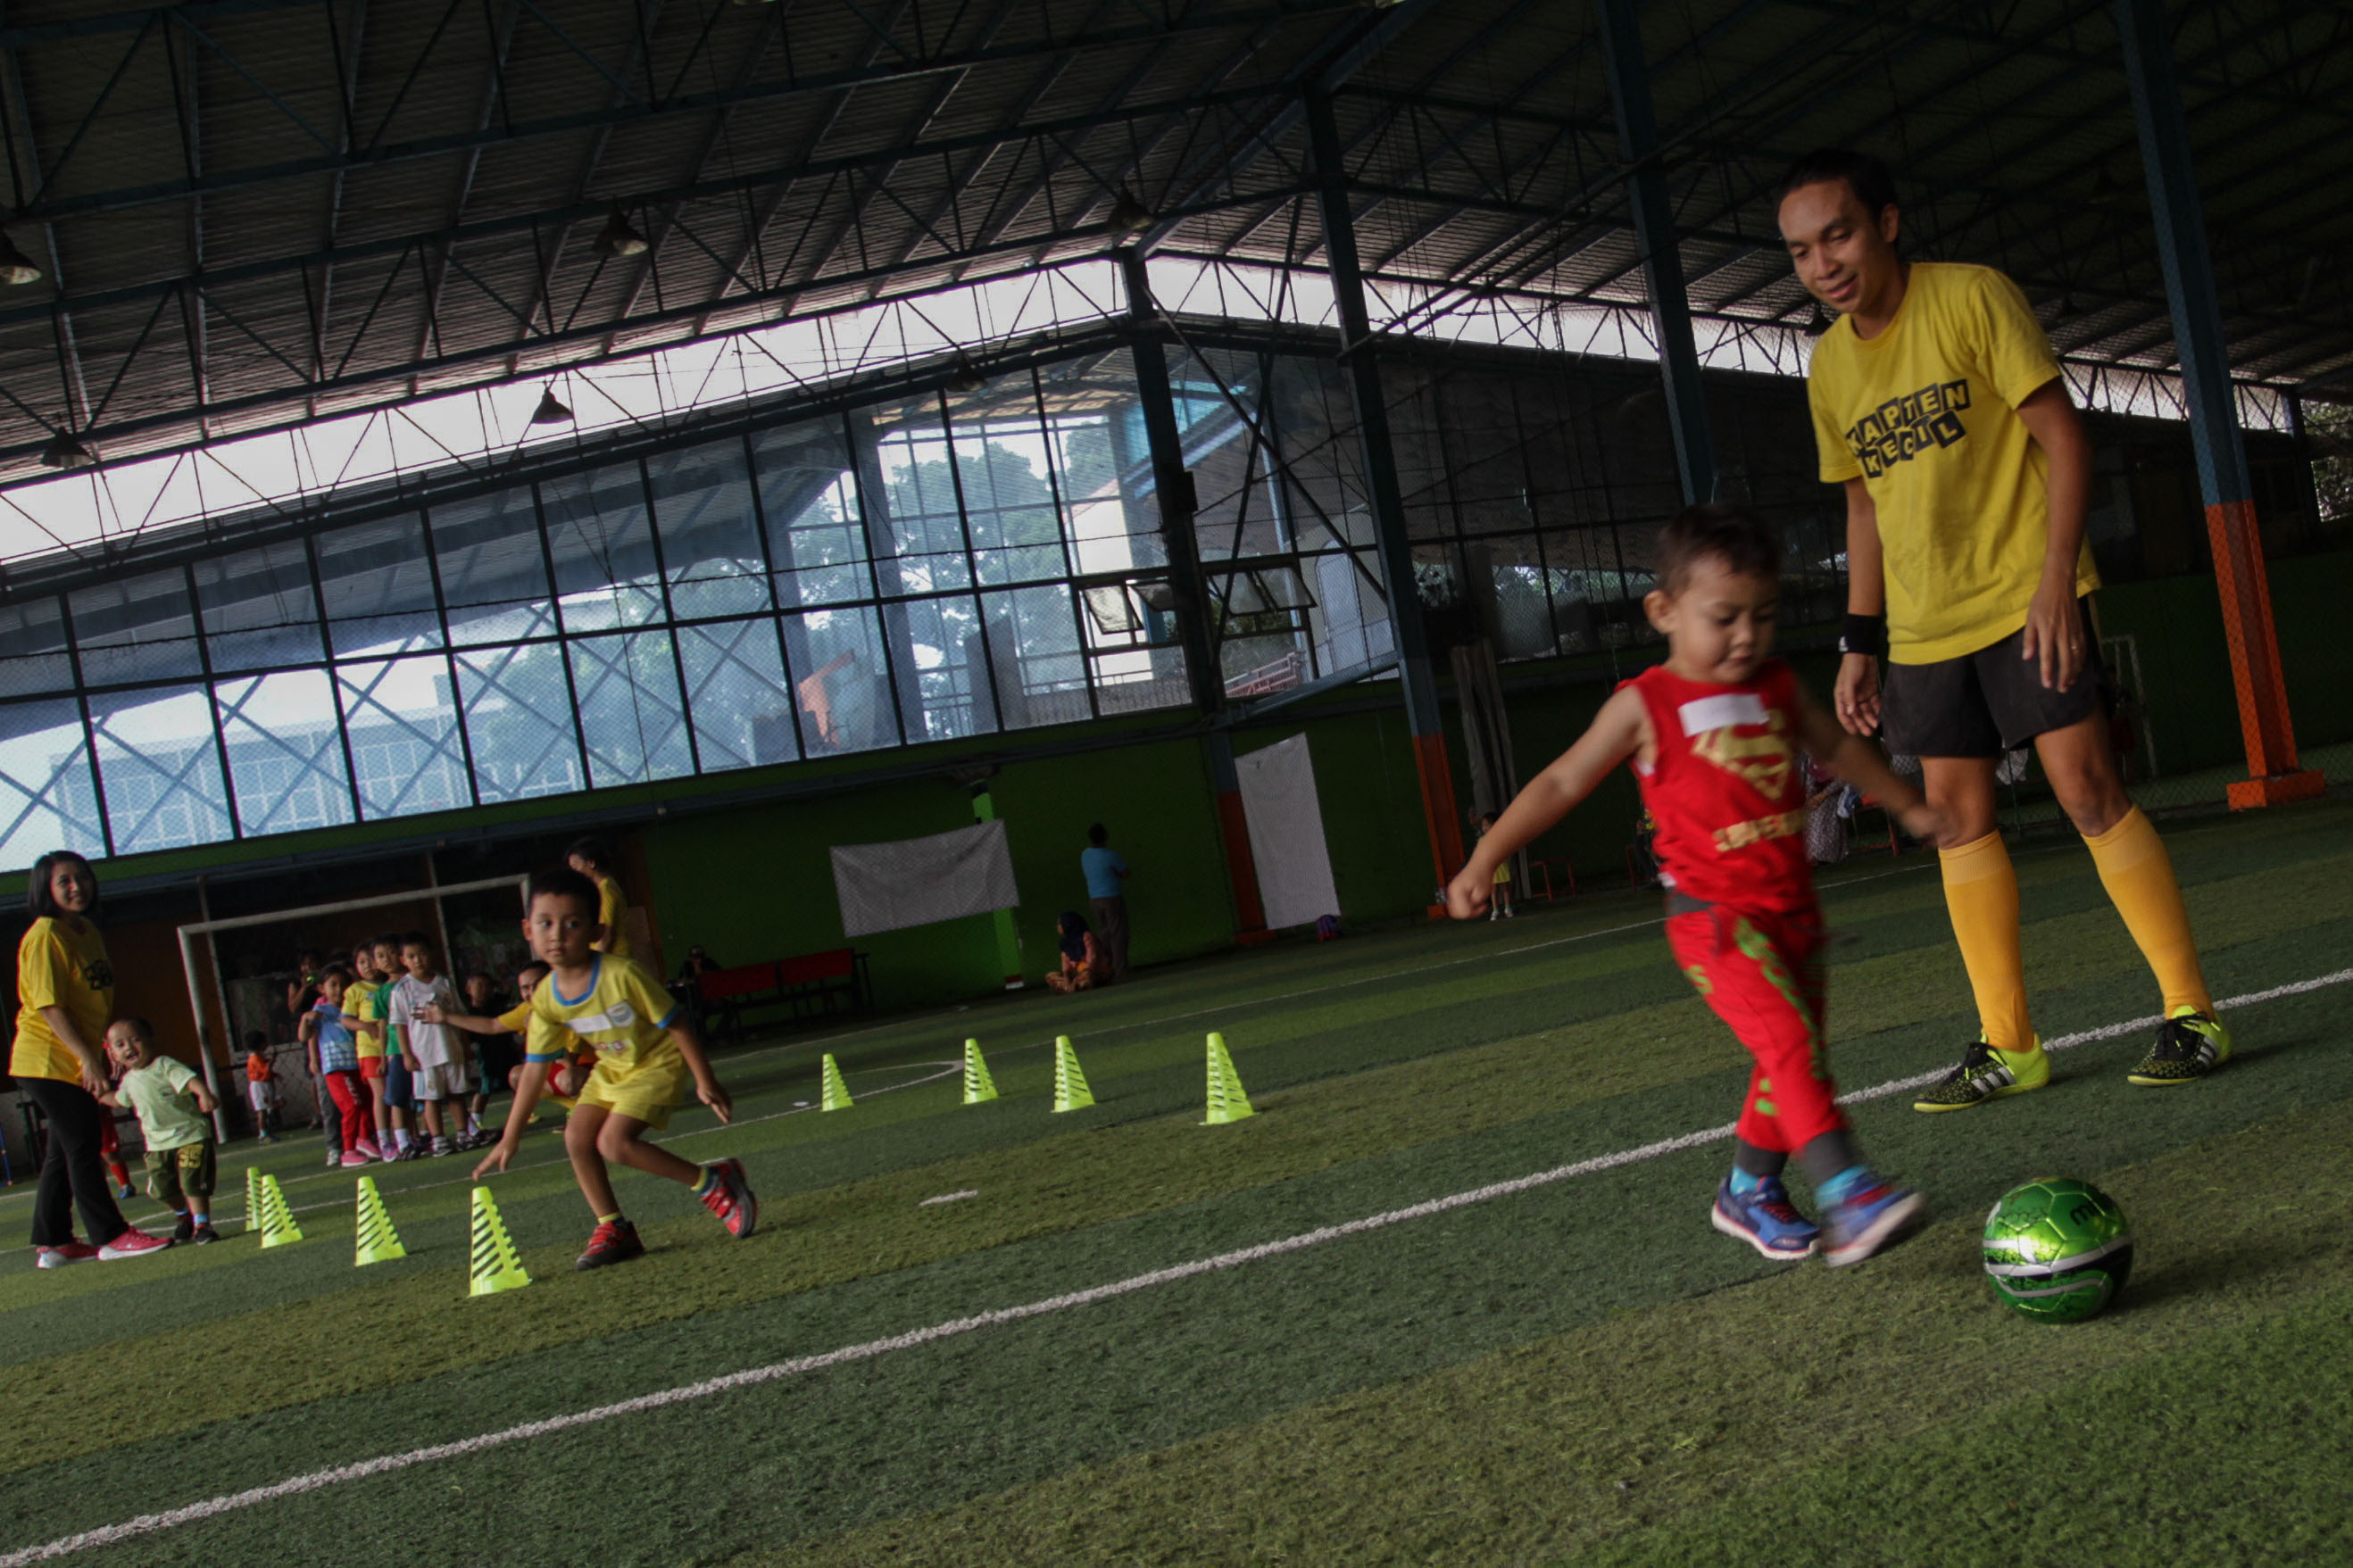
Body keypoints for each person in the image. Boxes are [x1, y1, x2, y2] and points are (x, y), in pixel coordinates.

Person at [1782, 147, 2231, 1108]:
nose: (1822, 263)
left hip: (2022, 593)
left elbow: (2061, 437)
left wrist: (2054, 587)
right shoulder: (1825, 367)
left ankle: (2190, 1011)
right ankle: (2009, 1043)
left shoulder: (1972, 297)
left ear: (1886, 223)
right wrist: (1860, 640)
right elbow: (1860, 508)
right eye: (1800, 250)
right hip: (1923, 627)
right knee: (1956, 824)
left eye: (1838, 234)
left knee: (2085, 791)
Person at [1448, 504, 1945, 1266]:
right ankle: (1848, 1190)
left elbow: (1840, 746)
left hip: (1795, 913)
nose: (1747, 635)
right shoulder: (1643, 703)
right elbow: (1559, 782)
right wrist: (1486, 858)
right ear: (1664, 611)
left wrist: (1908, 803)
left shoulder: (1777, 687)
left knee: (1790, 1054)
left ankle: (1748, 1189)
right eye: (1724, 617)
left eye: (1764, 616)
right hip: (1714, 921)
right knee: (1789, 1045)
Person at [472, 869, 752, 1270]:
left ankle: (713, 1182)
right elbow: (534, 1072)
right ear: (527, 930)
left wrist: (706, 1080)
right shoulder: (547, 997)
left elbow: (676, 1024)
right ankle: (615, 1227)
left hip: (654, 1065)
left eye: (572, 924)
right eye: (545, 923)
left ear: (594, 929)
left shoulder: (622, 974)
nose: (557, 935)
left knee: (614, 1144)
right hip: (612, 1071)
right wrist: (510, 1137)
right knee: (576, 1138)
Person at [12, 850, 171, 1266]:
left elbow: (91, 1002)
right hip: (46, 1058)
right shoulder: (45, 934)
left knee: (64, 1149)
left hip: (72, 1056)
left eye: (81, 877)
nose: (76, 886)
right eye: (64, 880)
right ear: (45, 889)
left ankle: (54, 1242)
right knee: (84, 1143)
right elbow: (50, 1007)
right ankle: (111, 1235)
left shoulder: (86, 931)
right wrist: (87, 1059)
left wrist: (107, 1047)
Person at [101, 1018, 220, 1245]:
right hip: (156, 1144)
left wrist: (203, 1093)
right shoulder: (128, 1080)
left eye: (135, 1039)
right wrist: (95, 1095)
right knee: (162, 1189)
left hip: (190, 1135)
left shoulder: (164, 1065)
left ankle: (203, 1224)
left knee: (191, 1180)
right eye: (120, 1044)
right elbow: (117, 1100)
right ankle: (182, 1214)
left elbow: (189, 1080)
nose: (129, 1047)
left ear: (150, 1042)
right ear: (114, 1056)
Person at [389, 933, 480, 1156]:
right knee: (431, 1098)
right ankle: (438, 1138)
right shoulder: (401, 990)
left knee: (457, 1094)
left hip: (450, 1048)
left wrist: (465, 1044)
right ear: (403, 961)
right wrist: (407, 1054)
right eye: (411, 956)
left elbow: (459, 1014)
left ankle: (462, 1133)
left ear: (431, 955)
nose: (418, 960)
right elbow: (399, 1024)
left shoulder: (444, 983)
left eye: (422, 954)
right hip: (424, 1054)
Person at [305, 966, 373, 1167]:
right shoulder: (321, 1010)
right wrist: (313, 1057)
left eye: (343, 985)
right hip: (335, 1067)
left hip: (355, 1063)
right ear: (321, 988)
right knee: (350, 1105)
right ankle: (346, 1149)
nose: (338, 989)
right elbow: (306, 1034)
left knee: (366, 1102)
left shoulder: (352, 1007)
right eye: (333, 985)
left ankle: (364, 1140)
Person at [565, 837, 634, 960]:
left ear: (591, 863)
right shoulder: (606, 886)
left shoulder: (605, 890)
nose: (574, 874)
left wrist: (595, 967)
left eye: (575, 867)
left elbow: (606, 936)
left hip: (613, 961)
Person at [1079, 823, 1129, 982]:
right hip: (1112, 898)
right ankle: (1120, 970)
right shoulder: (1110, 855)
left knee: (1104, 935)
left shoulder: (1085, 855)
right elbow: (1125, 873)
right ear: (1106, 836)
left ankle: (1105, 969)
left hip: (1094, 899)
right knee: (1118, 935)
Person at [1043, 910, 1103, 994]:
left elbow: (1091, 963)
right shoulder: (1064, 943)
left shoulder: (1087, 937)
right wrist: (1068, 982)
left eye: (1060, 923)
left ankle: (1069, 988)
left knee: (1087, 975)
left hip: (1095, 973)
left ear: (1069, 923)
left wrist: (1075, 981)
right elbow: (1066, 968)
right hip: (1077, 976)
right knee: (1050, 976)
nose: (1058, 926)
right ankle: (1073, 988)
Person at [1474, 811, 1515, 920]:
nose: (1485, 827)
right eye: (1483, 825)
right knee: (1493, 889)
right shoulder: (1482, 840)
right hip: (1491, 868)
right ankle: (1495, 910)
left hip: (1501, 865)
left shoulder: (1501, 837)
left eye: (1487, 824)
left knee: (1505, 888)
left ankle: (1508, 908)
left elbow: (1506, 850)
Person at [243, 1031, 278, 1141]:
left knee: (265, 1108)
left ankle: (266, 1131)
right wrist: (273, 1059)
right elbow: (266, 1069)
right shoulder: (255, 1058)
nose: (267, 1044)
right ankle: (262, 1134)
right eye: (265, 1042)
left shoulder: (258, 1056)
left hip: (263, 1084)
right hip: (259, 1086)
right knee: (261, 1110)